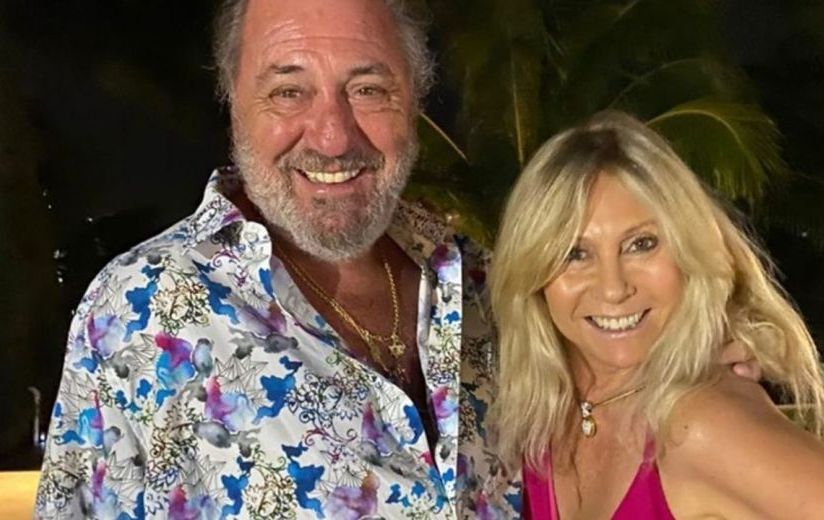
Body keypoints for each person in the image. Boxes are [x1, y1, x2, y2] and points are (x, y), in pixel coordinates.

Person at [34, 0, 520, 517]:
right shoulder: (139, 312)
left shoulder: (485, 280)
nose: (333, 138)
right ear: (233, 100)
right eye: (289, 92)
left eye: (368, 90)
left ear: (414, 97)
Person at [488, 110, 824, 519]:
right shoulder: (544, 414)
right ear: (533, 275)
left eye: (641, 244)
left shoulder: (705, 424)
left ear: (688, 251)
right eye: (575, 254)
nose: (614, 288)